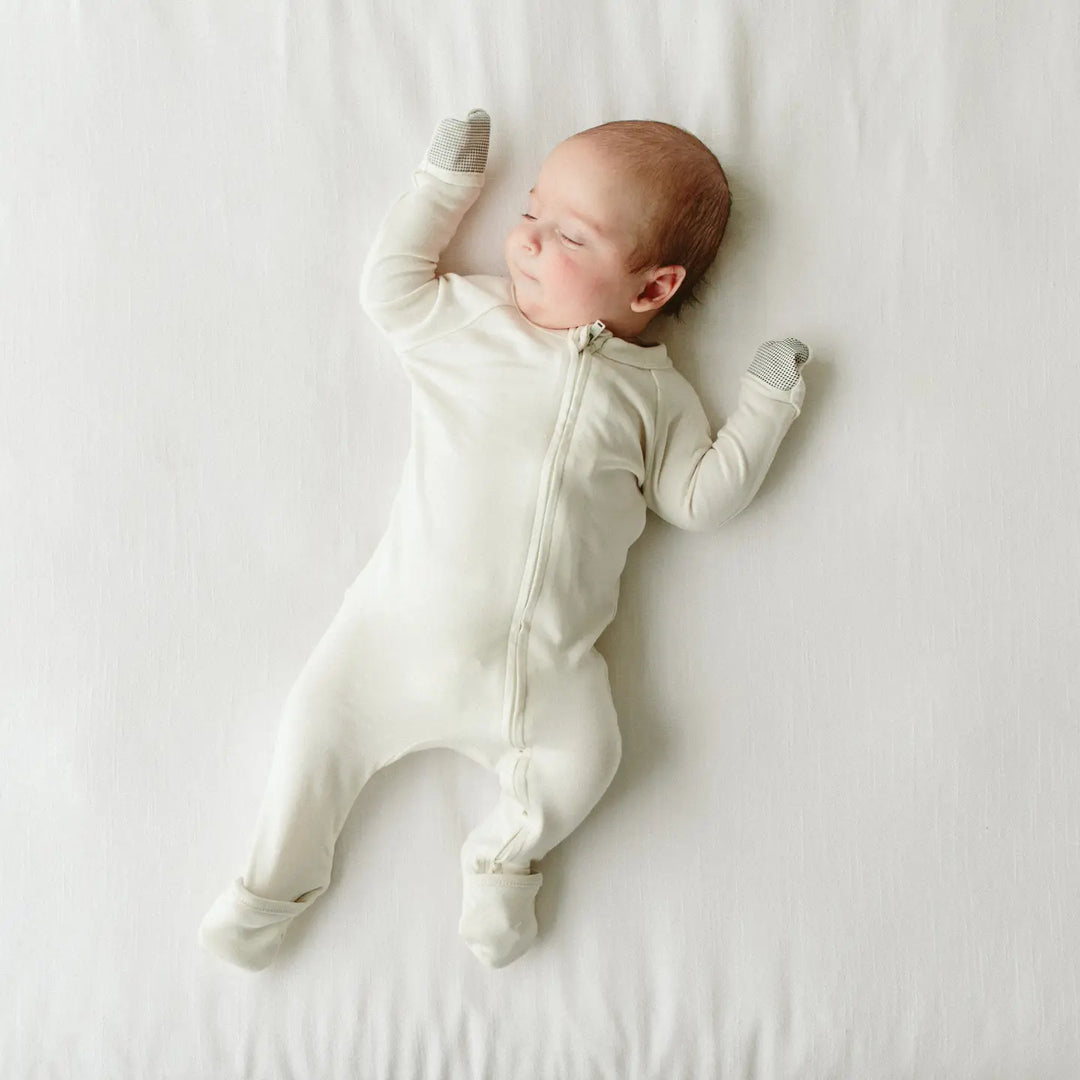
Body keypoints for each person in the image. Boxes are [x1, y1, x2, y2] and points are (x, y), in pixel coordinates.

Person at [198, 108, 811, 971]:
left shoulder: (660, 399)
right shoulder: (471, 321)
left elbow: (700, 501)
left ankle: (504, 858)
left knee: (591, 757)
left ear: (651, 290)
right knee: (317, 729)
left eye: (568, 234)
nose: (525, 239)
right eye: (529, 211)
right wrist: (443, 187)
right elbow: (390, 289)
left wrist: (764, 407)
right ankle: (267, 891)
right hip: (392, 641)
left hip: (546, 682)